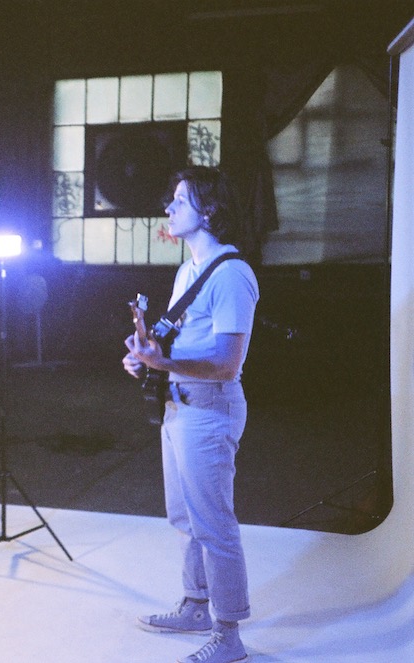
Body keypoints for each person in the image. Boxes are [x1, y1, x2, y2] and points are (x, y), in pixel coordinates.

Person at [123, 166, 259, 663]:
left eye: (180, 200)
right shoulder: (188, 271)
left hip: (209, 410)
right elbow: (183, 345)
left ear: (210, 210)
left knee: (214, 524)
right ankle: (196, 606)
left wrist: (164, 363)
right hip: (178, 408)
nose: (169, 207)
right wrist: (147, 358)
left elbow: (227, 364)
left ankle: (229, 634)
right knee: (184, 517)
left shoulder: (232, 275)